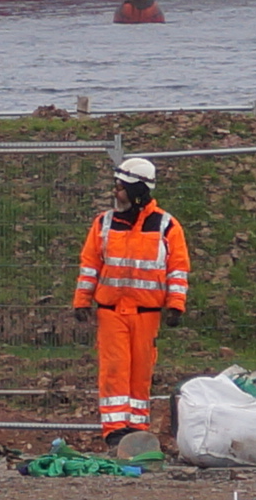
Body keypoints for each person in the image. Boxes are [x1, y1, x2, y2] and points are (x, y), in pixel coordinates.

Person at [70, 153, 190, 451]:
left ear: (137, 192)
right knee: (114, 370)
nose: (116, 192)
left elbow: (178, 267)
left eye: (121, 187)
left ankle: (137, 428)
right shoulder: (104, 223)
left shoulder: (166, 226)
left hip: (147, 314)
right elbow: (90, 265)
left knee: (140, 373)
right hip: (111, 312)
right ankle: (114, 430)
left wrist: (176, 304)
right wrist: (82, 301)